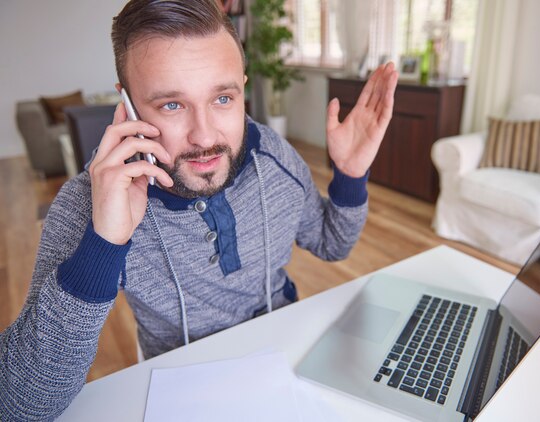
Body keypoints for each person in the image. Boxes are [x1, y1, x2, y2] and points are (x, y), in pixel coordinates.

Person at [0, 0, 398, 419]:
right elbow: (21, 405)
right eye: (172, 105)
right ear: (128, 106)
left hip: (292, 362)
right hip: (184, 393)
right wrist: (104, 241)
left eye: (223, 98)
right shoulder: (90, 203)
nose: (205, 136)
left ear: (242, 87)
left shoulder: (273, 156)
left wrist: (350, 175)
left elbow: (332, 244)